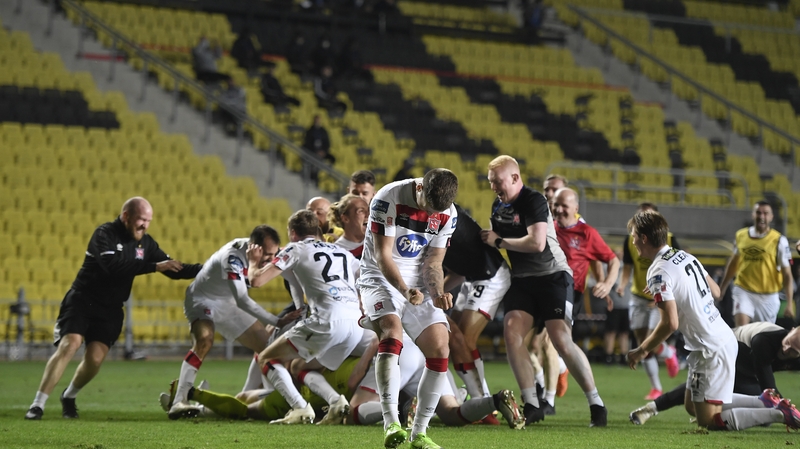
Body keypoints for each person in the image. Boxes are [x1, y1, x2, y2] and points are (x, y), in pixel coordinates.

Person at [24, 197, 202, 420]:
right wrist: (154, 266)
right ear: (126, 216)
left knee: (95, 360)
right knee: (70, 344)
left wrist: (209, 268)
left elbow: (174, 268)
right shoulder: (104, 234)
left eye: (148, 221)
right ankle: (37, 404)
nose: (145, 225)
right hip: (83, 301)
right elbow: (112, 266)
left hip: (110, 309)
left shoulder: (146, 244)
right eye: (141, 219)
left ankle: (69, 396)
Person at [625, 210, 800, 431]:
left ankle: (778, 413)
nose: (632, 241)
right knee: (691, 404)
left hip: (708, 348)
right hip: (722, 337)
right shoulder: (684, 256)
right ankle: (765, 401)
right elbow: (716, 291)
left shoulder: (658, 272)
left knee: (707, 420)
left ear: (643, 238)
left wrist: (642, 349)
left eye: (633, 236)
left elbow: (670, 324)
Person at [479, 155, 607, 427]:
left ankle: (596, 403)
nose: (493, 187)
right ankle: (532, 404)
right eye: (491, 182)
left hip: (552, 276)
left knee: (560, 339)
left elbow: (537, 244)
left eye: (497, 181)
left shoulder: (533, 200)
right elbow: (493, 240)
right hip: (523, 279)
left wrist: (498, 241)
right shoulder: (497, 205)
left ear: (515, 178)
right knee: (511, 333)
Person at [357, 168, 459, 449]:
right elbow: (382, 255)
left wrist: (437, 293)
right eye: (427, 206)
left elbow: (434, 261)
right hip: (379, 277)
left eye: (436, 211)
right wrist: (404, 290)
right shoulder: (388, 197)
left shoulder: (449, 214)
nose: (429, 214)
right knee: (392, 332)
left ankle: (419, 434)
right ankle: (391, 423)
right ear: (420, 188)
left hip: (418, 284)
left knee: (440, 348)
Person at [247, 210, 374, 424]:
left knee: (266, 358)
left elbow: (256, 281)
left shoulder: (295, 248)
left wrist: (253, 262)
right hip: (355, 325)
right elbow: (367, 277)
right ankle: (336, 402)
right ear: (317, 230)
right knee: (299, 366)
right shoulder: (342, 252)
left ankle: (299, 408)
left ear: (293, 233)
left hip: (327, 319)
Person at [166, 225, 302, 419]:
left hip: (228, 303)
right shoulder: (233, 257)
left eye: (274, 254)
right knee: (204, 339)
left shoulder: (271, 254)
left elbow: (291, 278)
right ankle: (179, 400)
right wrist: (277, 321)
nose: (271, 259)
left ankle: (277, 397)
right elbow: (243, 300)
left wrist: (301, 306)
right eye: (267, 254)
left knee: (269, 348)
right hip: (203, 299)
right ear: (254, 247)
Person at [630, 321, 800, 425]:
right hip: (725, 354)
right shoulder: (764, 342)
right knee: (697, 396)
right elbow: (769, 390)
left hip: (746, 370)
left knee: (764, 416)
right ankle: (651, 408)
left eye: (793, 350)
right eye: (787, 343)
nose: (786, 349)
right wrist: (790, 411)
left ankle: (711, 413)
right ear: (790, 330)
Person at [347, 332, 524, 430]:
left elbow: (375, 340)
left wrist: (355, 380)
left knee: (351, 411)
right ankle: (496, 401)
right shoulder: (425, 293)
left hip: (400, 351)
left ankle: (404, 409)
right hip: (429, 354)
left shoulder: (380, 292)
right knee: (451, 413)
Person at [442, 203, 510, 405]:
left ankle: (484, 399)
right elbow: (458, 272)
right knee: (452, 337)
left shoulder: (441, 218)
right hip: (471, 277)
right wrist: (434, 295)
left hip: (490, 275)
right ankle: (463, 394)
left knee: (464, 339)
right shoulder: (437, 220)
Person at [618, 202, 681, 400]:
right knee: (642, 342)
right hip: (638, 296)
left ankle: (668, 354)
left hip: (659, 298)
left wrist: (661, 295)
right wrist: (622, 285)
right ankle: (656, 387)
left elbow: (676, 270)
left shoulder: (669, 239)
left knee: (649, 343)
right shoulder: (631, 240)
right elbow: (628, 266)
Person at [719, 201, 794, 326]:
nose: (761, 216)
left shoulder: (779, 240)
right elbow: (733, 264)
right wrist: (722, 288)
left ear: (771, 217)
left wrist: (790, 303)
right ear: (753, 215)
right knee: (742, 331)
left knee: (763, 335)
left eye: (766, 213)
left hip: (768, 296)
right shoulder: (741, 235)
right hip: (744, 290)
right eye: (758, 212)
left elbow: (787, 275)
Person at [552, 188, 619, 317]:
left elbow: (613, 260)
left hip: (569, 293)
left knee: (554, 328)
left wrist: (606, 285)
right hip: (544, 289)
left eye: (564, 206)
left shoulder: (587, 233)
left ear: (576, 209)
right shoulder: (547, 228)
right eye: (556, 205)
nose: (559, 209)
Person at [604, 249, 630, 365]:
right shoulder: (610, 268)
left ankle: (624, 355)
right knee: (611, 332)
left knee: (624, 333)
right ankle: (608, 355)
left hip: (626, 306)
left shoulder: (628, 269)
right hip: (613, 306)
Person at [328, 194, 368, 259]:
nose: (368, 215)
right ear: (345, 218)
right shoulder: (336, 252)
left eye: (369, 210)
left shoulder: (378, 243)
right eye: (361, 211)